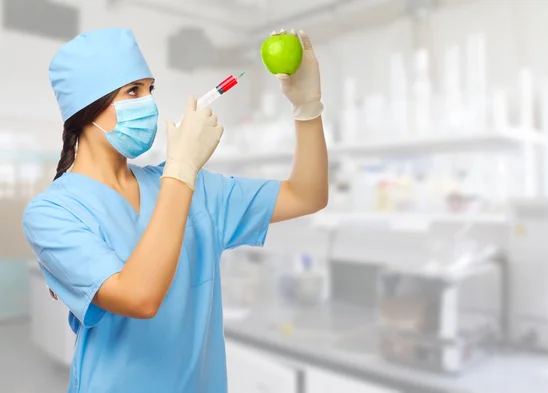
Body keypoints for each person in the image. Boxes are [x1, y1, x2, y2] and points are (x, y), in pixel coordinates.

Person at [22, 27, 328, 393]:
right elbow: (139, 296)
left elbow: (307, 195)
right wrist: (180, 170)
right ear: (87, 107)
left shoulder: (196, 187)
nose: (148, 103)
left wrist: (308, 108)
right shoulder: (52, 213)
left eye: (151, 90)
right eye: (132, 91)